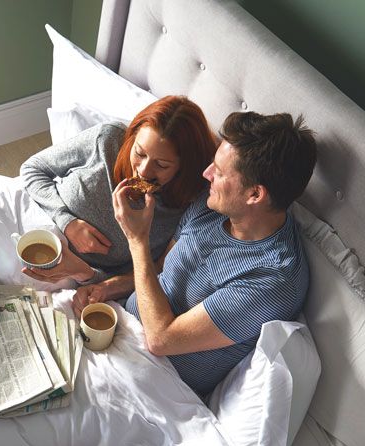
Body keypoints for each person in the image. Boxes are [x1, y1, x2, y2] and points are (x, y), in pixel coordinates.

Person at [107, 111, 317, 397]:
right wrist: (105, 286)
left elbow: (161, 340)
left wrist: (137, 239)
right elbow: (160, 268)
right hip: (119, 328)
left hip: (158, 384)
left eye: (218, 172)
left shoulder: (274, 280)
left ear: (254, 194)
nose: (206, 175)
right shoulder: (213, 205)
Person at [19, 96, 217, 295]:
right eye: (139, 153)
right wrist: (67, 222)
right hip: (36, 220)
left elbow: (153, 271)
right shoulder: (109, 139)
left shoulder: (187, 206)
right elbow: (33, 169)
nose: (144, 171)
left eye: (162, 164)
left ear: (184, 167)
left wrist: (84, 273)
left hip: (80, 280)